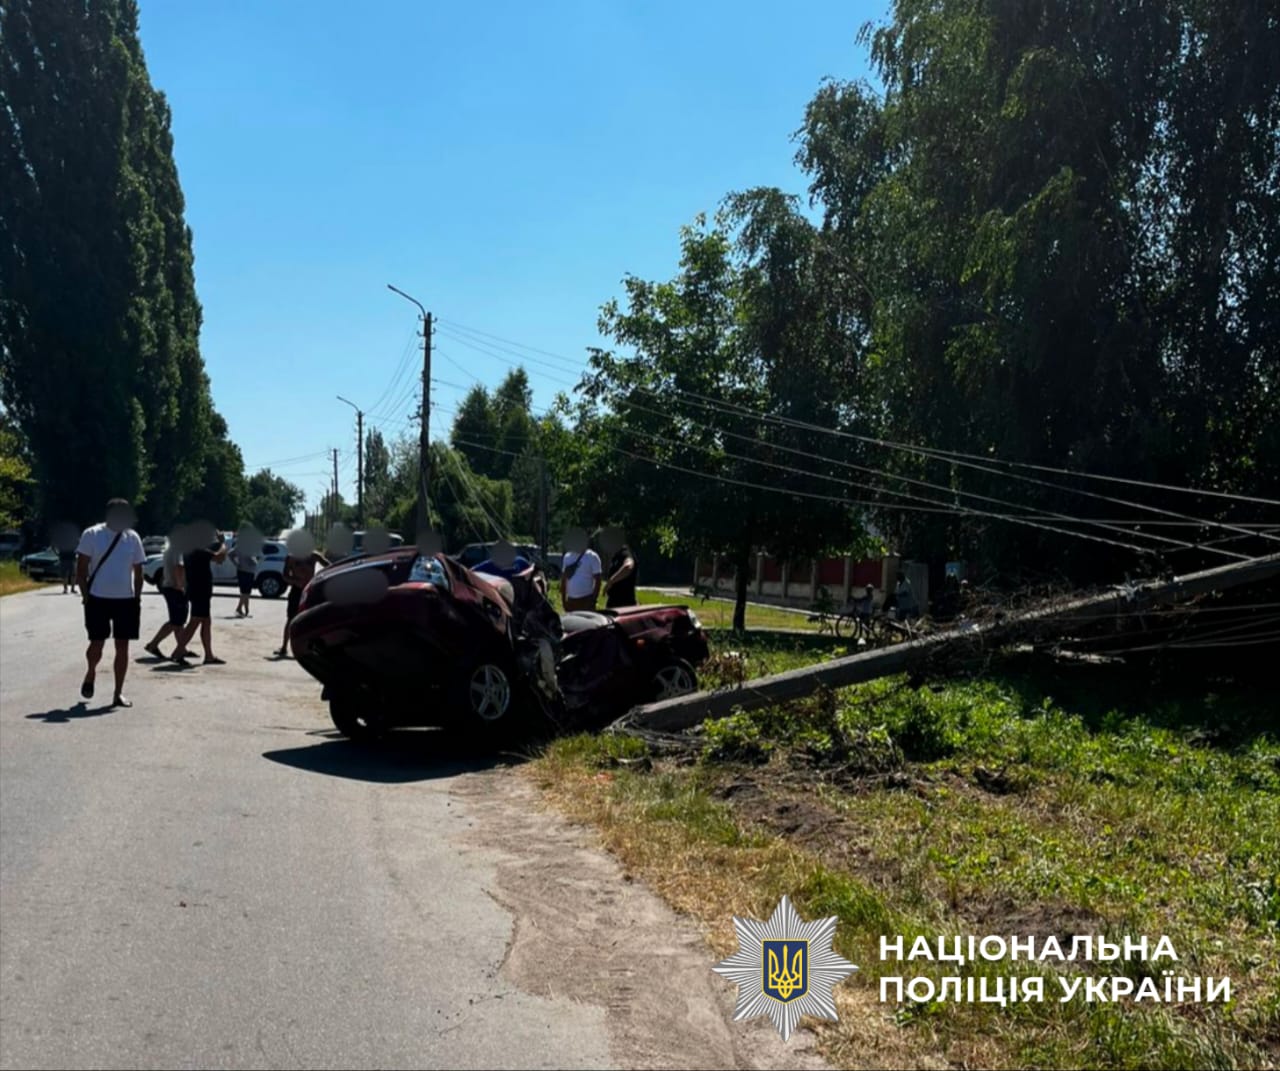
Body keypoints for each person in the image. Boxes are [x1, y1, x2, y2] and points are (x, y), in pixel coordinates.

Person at [75, 499, 147, 707]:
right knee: (97, 643)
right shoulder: (92, 534)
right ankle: (91, 672)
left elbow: (139, 571)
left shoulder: (132, 538)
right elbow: (81, 571)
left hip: (125, 601)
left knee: (122, 647)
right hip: (97, 599)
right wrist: (86, 596)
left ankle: (118, 693)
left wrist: (137, 598)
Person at [170, 534, 228, 665]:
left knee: (206, 621)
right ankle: (178, 651)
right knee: (195, 621)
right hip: (200, 591)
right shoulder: (198, 551)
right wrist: (223, 544)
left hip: (196, 589)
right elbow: (220, 558)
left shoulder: (189, 551)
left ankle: (209, 655)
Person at [277, 547, 329, 657]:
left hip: (310, 589)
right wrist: (295, 581)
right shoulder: (291, 557)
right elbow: (285, 575)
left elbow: (329, 566)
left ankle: (311, 647)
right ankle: (284, 647)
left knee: (312, 618)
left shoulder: (314, 555)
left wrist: (319, 579)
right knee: (291, 619)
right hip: (296, 590)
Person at [145, 531, 188, 658]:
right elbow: (179, 567)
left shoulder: (169, 550)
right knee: (176, 622)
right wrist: (180, 586)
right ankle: (154, 645)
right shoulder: (177, 550)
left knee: (177, 622)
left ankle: (181, 648)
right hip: (174, 589)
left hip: (170, 587)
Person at [560, 541, 602, 612]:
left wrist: (593, 600)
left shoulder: (592, 556)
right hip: (571, 601)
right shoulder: (567, 556)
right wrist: (564, 602)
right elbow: (564, 580)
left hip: (586, 600)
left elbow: (598, 581)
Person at [603, 542, 637, 609]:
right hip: (613, 602)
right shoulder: (616, 556)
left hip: (624, 603)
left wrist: (610, 581)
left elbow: (628, 567)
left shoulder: (625, 553)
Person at [231, 539, 257, 618]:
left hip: (245, 571)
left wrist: (236, 563)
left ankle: (246, 610)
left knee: (246, 592)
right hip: (246, 571)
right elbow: (251, 560)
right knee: (245, 592)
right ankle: (239, 608)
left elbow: (230, 554)